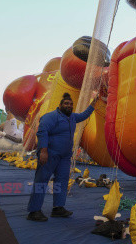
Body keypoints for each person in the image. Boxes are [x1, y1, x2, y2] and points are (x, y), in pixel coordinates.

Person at [27, 92, 98, 221]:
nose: (69, 105)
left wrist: (93, 104)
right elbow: (42, 132)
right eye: (66, 103)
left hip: (64, 157)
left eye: (71, 104)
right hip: (49, 154)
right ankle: (34, 211)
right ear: (60, 105)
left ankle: (58, 208)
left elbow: (84, 115)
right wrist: (43, 151)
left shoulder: (72, 117)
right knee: (41, 181)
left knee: (62, 181)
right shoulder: (50, 117)